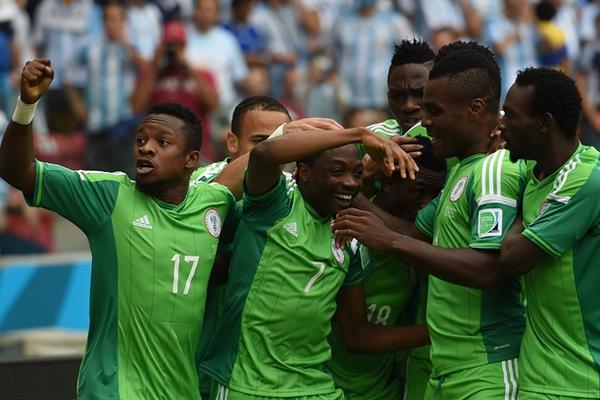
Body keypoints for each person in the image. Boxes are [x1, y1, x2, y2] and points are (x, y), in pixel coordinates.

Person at [0, 59, 238, 399]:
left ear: (191, 160)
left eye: (162, 142)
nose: (146, 147)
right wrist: (26, 105)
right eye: (141, 139)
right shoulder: (108, 196)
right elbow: (16, 170)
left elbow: (255, 167)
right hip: (112, 390)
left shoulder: (212, 204)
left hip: (181, 391)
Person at [332, 45, 526, 399]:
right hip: (442, 364)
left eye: (430, 106)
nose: (420, 116)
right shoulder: (455, 166)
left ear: (475, 109)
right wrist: (354, 191)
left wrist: (389, 241)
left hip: (487, 364)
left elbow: (489, 268)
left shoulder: (498, 166)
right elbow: (416, 235)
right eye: (399, 95)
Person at [199, 111, 424, 399]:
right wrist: (359, 134)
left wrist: (438, 331)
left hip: (315, 386)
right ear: (303, 173)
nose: (351, 184)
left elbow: (357, 334)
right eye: (336, 171)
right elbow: (264, 155)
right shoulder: (275, 205)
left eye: (357, 174)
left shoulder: (350, 237)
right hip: (247, 383)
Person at [499, 67, 600, 400]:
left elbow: (513, 258)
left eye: (510, 116)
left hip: (579, 380)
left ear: (543, 123)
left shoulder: (588, 178)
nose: (501, 125)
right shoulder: (536, 170)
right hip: (537, 377)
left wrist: (519, 213)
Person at [327, 136, 447, 400]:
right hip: (331, 388)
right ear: (390, 182)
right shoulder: (347, 233)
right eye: (419, 192)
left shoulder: (425, 246)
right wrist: (446, 331)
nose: (427, 204)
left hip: (384, 390)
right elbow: (357, 338)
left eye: (435, 195)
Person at [192, 95, 291, 399]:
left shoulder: (297, 191)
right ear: (232, 142)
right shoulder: (199, 185)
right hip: (196, 351)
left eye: (283, 142)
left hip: (262, 366)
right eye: (263, 142)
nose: (273, 152)